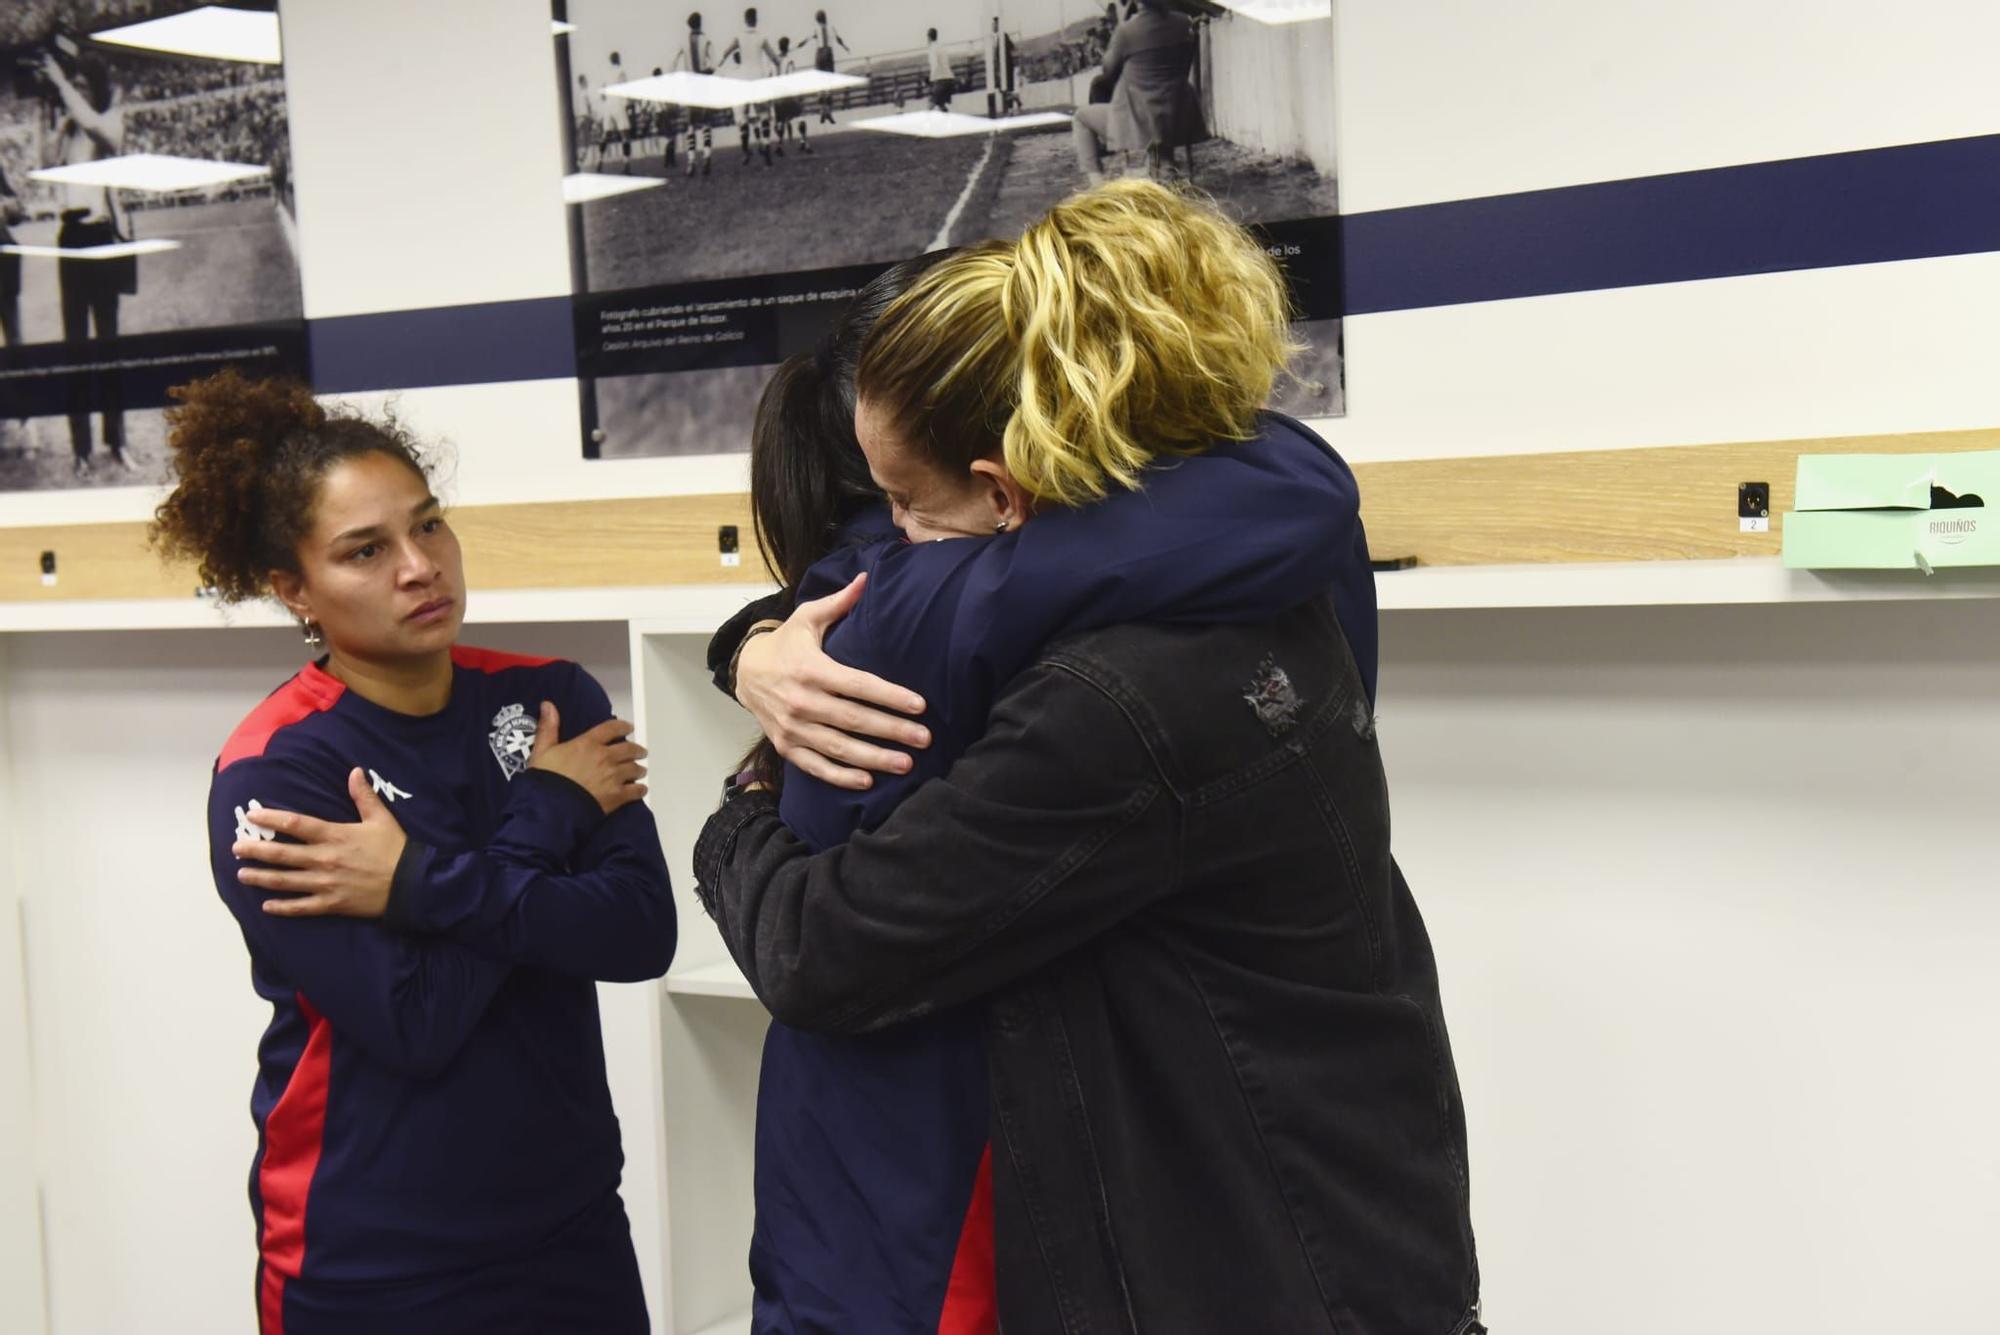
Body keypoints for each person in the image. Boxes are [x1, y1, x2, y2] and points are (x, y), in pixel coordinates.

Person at [699, 180, 1482, 1334]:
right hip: (1338, 1194)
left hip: (1254, 1243)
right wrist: (754, 642)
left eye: (906, 512)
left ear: (1004, 488)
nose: (902, 554)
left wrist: (741, 800)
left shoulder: (1105, 695)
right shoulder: (1270, 540)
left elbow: (824, 948)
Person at [149, 371, 676, 1334]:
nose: (419, 566)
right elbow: (419, 1019)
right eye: (366, 550)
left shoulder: (549, 700)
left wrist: (415, 882)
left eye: (428, 525)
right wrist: (549, 807)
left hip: (571, 1229)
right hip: (374, 1261)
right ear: (292, 589)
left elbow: (639, 934)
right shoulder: (276, 774)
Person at [41, 46, 132, 477]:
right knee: (75, 347)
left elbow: (99, 128)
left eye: (79, 87)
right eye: (69, 87)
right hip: (70, 238)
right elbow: (42, 167)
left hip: (100, 237)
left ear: (90, 92)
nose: (71, 95)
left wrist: (61, 84)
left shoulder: (107, 123)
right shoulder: (68, 132)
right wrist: (56, 125)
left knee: (109, 345)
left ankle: (117, 442)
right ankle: (81, 451)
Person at [1072, 0, 1208, 185]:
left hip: (1140, 121)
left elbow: (1108, 71)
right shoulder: (1183, 23)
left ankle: (1097, 183)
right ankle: (1166, 169)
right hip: (1177, 115)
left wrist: (1121, 23)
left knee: (1081, 117)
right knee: (1152, 114)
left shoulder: (1127, 31)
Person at [675, 12, 717, 177]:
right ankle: (706, 156)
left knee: (691, 125)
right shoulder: (706, 39)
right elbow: (713, 65)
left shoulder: (683, 42)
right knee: (706, 123)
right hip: (703, 86)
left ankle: (691, 161)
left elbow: (673, 61)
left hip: (689, 87)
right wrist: (706, 72)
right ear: (700, 23)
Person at [803, 9, 849, 124]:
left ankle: (823, 111)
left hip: (820, 54)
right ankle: (827, 111)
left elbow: (806, 39)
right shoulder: (831, 28)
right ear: (825, 18)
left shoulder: (816, 29)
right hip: (827, 53)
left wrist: (799, 44)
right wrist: (845, 46)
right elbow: (838, 39)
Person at [925, 28, 955, 113]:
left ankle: (927, 124)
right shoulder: (942, 47)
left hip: (940, 80)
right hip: (949, 79)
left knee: (930, 104)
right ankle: (950, 123)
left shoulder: (932, 49)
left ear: (929, 38)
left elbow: (934, 65)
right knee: (941, 105)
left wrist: (931, 80)